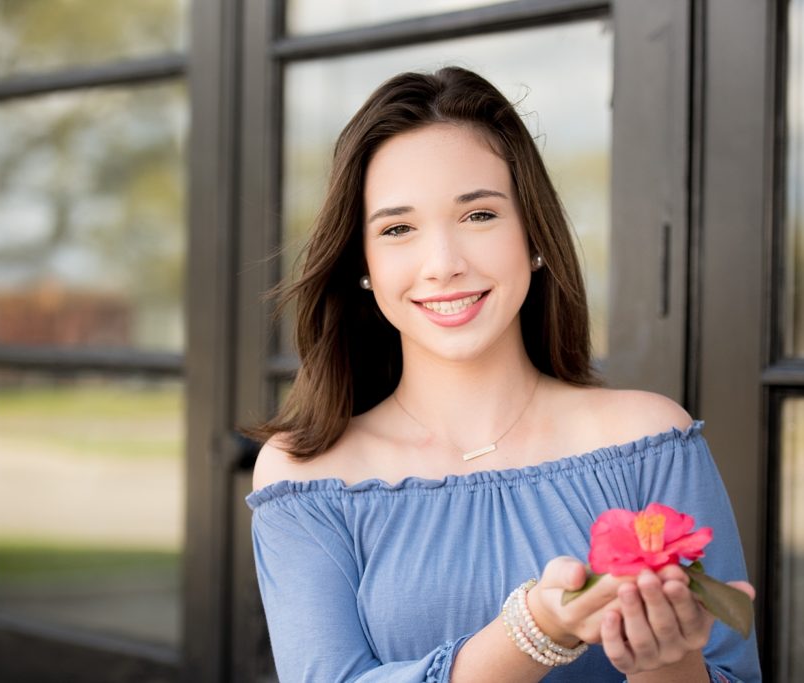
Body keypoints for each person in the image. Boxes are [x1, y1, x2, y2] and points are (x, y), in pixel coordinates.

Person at [246, 66, 761, 682]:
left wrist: (666, 655)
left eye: (479, 216)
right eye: (398, 229)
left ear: (534, 237)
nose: (442, 265)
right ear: (364, 263)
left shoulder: (650, 440)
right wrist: (534, 630)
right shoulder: (307, 476)